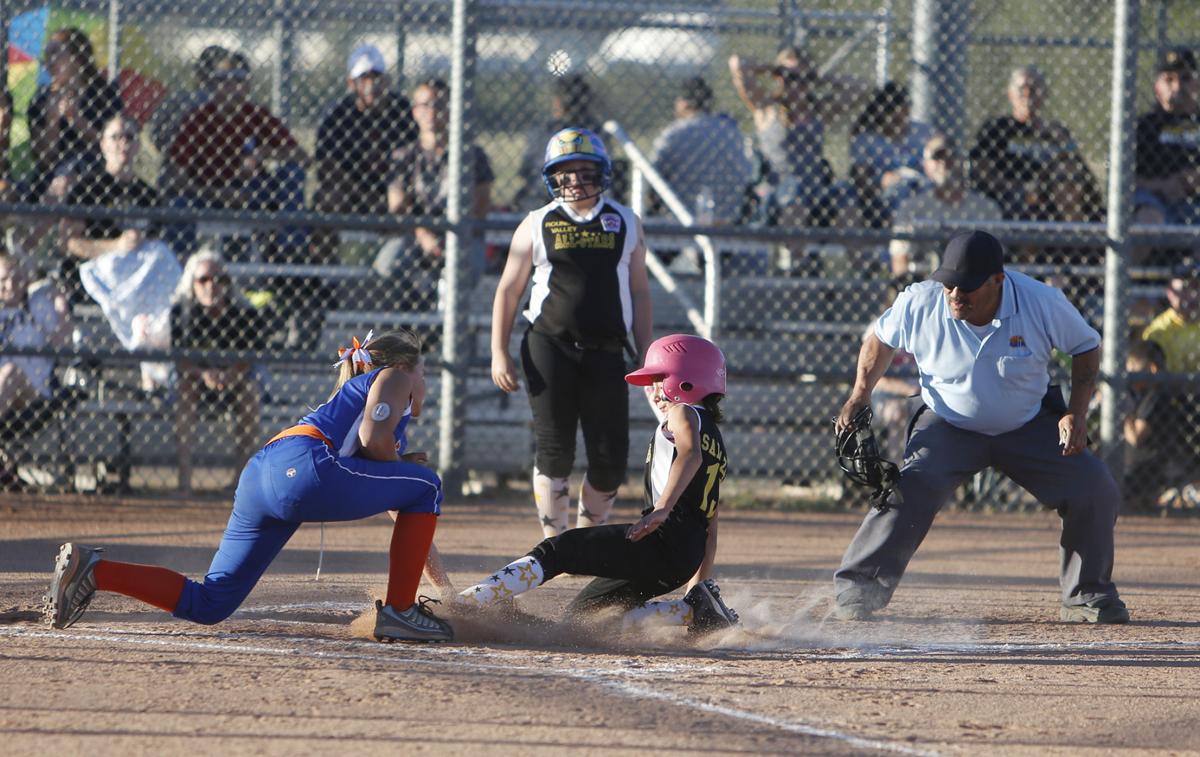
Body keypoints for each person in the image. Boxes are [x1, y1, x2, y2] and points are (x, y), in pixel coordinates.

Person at [44, 329, 456, 643]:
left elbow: (408, 510)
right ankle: (401, 611)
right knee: (428, 482)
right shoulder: (393, 377)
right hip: (305, 466)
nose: (424, 382)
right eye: (423, 371)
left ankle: (95, 569)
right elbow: (374, 441)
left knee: (210, 604)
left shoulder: (366, 408)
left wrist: (446, 590)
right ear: (404, 367)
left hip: (262, 474)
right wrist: (401, 463)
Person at [832, 230, 1129, 624]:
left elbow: (1086, 347)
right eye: (949, 282)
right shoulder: (920, 301)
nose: (955, 293)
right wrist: (859, 394)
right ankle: (859, 589)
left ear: (997, 280)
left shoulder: (1040, 301)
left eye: (967, 285)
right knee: (910, 488)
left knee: (1094, 486)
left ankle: (1087, 594)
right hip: (947, 421)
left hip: (1028, 422)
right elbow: (879, 341)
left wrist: (1076, 412)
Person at [457, 334, 739, 635]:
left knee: (558, 550)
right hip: (682, 556)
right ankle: (694, 611)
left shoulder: (683, 413)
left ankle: (471, 600)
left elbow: (689, 454)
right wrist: (697, 587)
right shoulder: (716, 442)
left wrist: (662, 509)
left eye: (660, 379)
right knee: (583, 618)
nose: (654, 389)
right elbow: (711, 527)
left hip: (660, 541)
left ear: (686, 381)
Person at [491, 127, 653, 538]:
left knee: (610, 456)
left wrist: (647, 350)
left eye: (585, 172)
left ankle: (586, 537)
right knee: (555, 447)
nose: (576, 181)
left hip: (606, 350)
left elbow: (638, 290)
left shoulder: (625, 222)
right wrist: (499, 351)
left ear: (602, 173)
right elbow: (509, 289)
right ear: (553, 178)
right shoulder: (537, 222)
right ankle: (556, 541)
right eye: (566, 174)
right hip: (549, 345)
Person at [377, 78, 493, 304]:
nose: (432, 112)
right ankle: (416, 319)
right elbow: (397, 206)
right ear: (414, 111)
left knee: (467, 269)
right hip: (416, 233)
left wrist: (450, 233)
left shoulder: (472, 155)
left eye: (439, 105)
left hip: (462, 234)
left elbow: (481, 206)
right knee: (389, 264)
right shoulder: (404, 156)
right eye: (424, 105)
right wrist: (423, 234)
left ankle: (450, 329)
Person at [728, 48, 866, 228]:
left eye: (804, 79)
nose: (797, 85)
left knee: (846, 197)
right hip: (777, 191)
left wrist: (819, 77)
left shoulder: (819, 111)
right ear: (780, 78)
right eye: (791, 78)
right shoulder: (767, 108)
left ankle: (861, 255)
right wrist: (774, 69)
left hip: (815, 191)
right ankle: (797, 256)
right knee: (795, 195)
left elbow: (861, 87)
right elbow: (738, 64)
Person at [170, 250, 268, 493]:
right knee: (184, 391)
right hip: (196, 380)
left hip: (236, 380)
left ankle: (240, 481)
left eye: (219, 279)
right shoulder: (182, 313)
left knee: (250, 394)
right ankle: (185, 481)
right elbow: (180, 361)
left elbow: (251, 357)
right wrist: (204, 375)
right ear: (192, 284)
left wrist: (233, 373)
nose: (211, 286)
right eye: (203, 279)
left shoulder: (244, 313)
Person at [60, 114, 162, 303]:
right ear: (103, 144)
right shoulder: (87, 188)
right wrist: (116, 246)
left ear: (138, 145)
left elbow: (155, 243)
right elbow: (70, 243)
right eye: (115, 137)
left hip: (134, 281)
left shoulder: (148, 195)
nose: (123, 143)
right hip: (92, 280)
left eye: (129, 137)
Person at [969, 66, 1080, 220]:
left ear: (1045, 94)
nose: (1028, 94)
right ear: (1010, 94)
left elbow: (1074, 163)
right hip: (1005, 199)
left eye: (1034, 89)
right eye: (1022, 89)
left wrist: (1059, 137)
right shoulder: (996, 128)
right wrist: (1018, 188)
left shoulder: (1056, 131)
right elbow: (981, 170)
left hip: (1049, 200)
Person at [0, 251, 71, 487]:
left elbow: (64, 343)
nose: (10, 286)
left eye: (16, 279)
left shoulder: (38, 306)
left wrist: (61, 305)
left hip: (31, 395)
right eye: (3, 280)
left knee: (10, 372)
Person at [27, 28, 123, 202]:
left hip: (96, 169)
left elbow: (114, 145)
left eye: (56, 53)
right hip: (53, 173)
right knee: (60, 181)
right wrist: (53, 120)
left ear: (77, 58)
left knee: (72, 175)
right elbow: (45, 159)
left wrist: (76, 120)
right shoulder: (40, 100)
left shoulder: (103, 95)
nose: (49, 62)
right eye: (46, 55)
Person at [889, 134, 1002, 278]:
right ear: (926, 166)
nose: (944, 162)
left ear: (962, 162)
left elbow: (995, 261)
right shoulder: (912, 208)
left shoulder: (986, 208)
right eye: (937, 156)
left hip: (974, 285)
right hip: (926, 282)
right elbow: (900, 261)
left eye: (951, 156)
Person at [650, 77, 751, 226]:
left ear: (684, 103)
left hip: (678, 218)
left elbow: (653, 175)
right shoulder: (732, 132)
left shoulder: (674, 133)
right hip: (729, 217)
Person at [512, 74, 603, 211]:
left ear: (558, 102)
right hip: (583, 203)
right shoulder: (595, 132)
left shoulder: (543, 131)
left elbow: (526, 171)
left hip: (539, 201)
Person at [849, 82, 935, 228]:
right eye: (893, 114)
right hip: (883, 198)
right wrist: (881, 182)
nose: (900, 120)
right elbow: (861, 180)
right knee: (901, 190)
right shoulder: (866, 140)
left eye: (905, 112)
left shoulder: (924, 133)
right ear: (880, 113)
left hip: (922, 189)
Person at [1134, 48, 1200, 229]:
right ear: (1157, 87)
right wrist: (1163, 186)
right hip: (1152, 199)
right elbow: (1117, 174)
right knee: (1148, 218)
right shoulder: (1143, 126)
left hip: (1195, 201)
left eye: (1186, 78)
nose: (1178, 87)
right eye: (1169, 79)